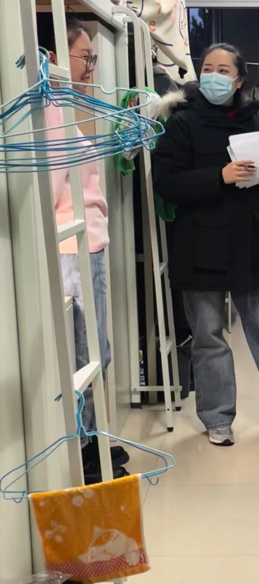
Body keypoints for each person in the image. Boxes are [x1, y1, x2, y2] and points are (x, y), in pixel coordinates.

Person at [153, 43, 259, 446]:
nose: (213, 76)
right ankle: (217, 418)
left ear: (239, 80)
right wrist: (220, 176)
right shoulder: (181, 123)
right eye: (207, 68)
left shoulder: (258, 122)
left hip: (249, 241)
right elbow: (166, 183)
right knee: (209, 337)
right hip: (199, 245)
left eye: (223, 70)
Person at [37, 15, 129, 483]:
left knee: (92, 351)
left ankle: (91, 441)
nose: (91, 67)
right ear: (54, 58)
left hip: (84, 244)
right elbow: (51, 187)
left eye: (93, 58)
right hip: (72, 247)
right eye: (85, 57)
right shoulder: (48, 111)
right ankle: (86, 450)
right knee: (86, 354)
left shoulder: (62, 106)